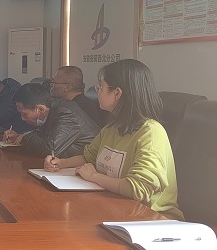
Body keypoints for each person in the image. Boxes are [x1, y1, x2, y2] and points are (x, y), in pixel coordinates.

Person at [44, 59, 183, 220]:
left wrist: (94, 176)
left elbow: (138, 189)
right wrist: (61, 163)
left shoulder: (150, 133)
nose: (97, 92)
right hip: (114, 209)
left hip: (150, 219)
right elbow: (89, 157)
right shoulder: (112, 128)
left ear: (117, 93)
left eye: (100, 87)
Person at [4, 83, 100, 158]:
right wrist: (19, 136)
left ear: (40, 109)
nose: (22, 118)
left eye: (24, 114)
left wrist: (25, 139)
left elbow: (51, 149)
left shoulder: (66, 113)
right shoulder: (52, 108)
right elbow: (43, 136)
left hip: (87, 163)